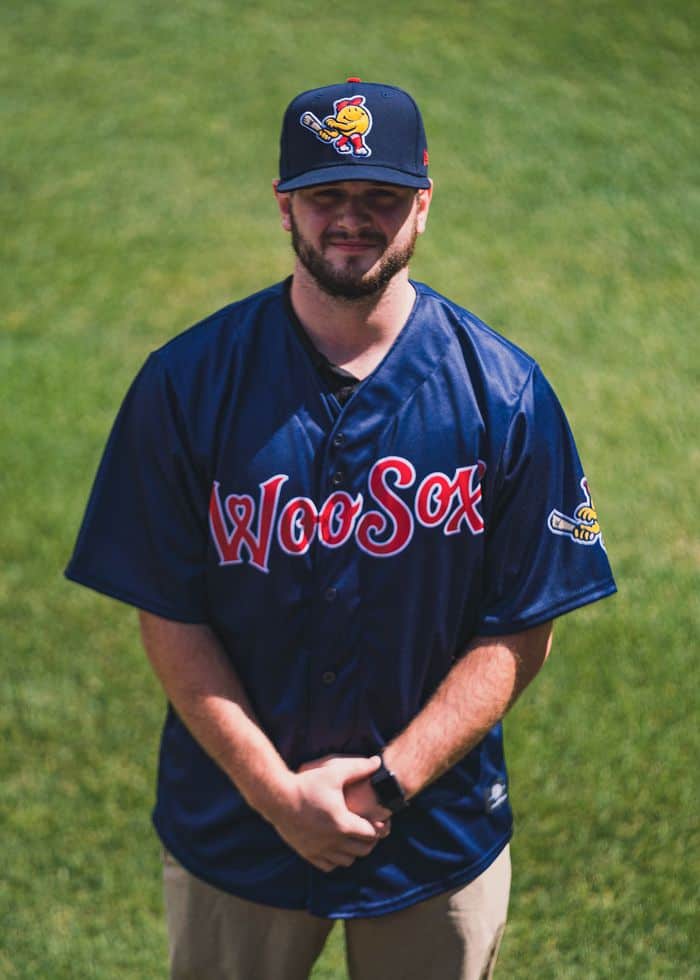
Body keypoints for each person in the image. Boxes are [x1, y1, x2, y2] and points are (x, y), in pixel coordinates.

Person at [65, 78, 616, 980]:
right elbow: (169, 613)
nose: (351, 220)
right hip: (236, 827)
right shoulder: (185, 383)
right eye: (327, 195)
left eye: (381, 198)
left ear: (423, 205)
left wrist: (392, 779)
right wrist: (275, 793)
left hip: (432, 831)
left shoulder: (505, 395)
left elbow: (523, 624)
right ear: (285, 204)